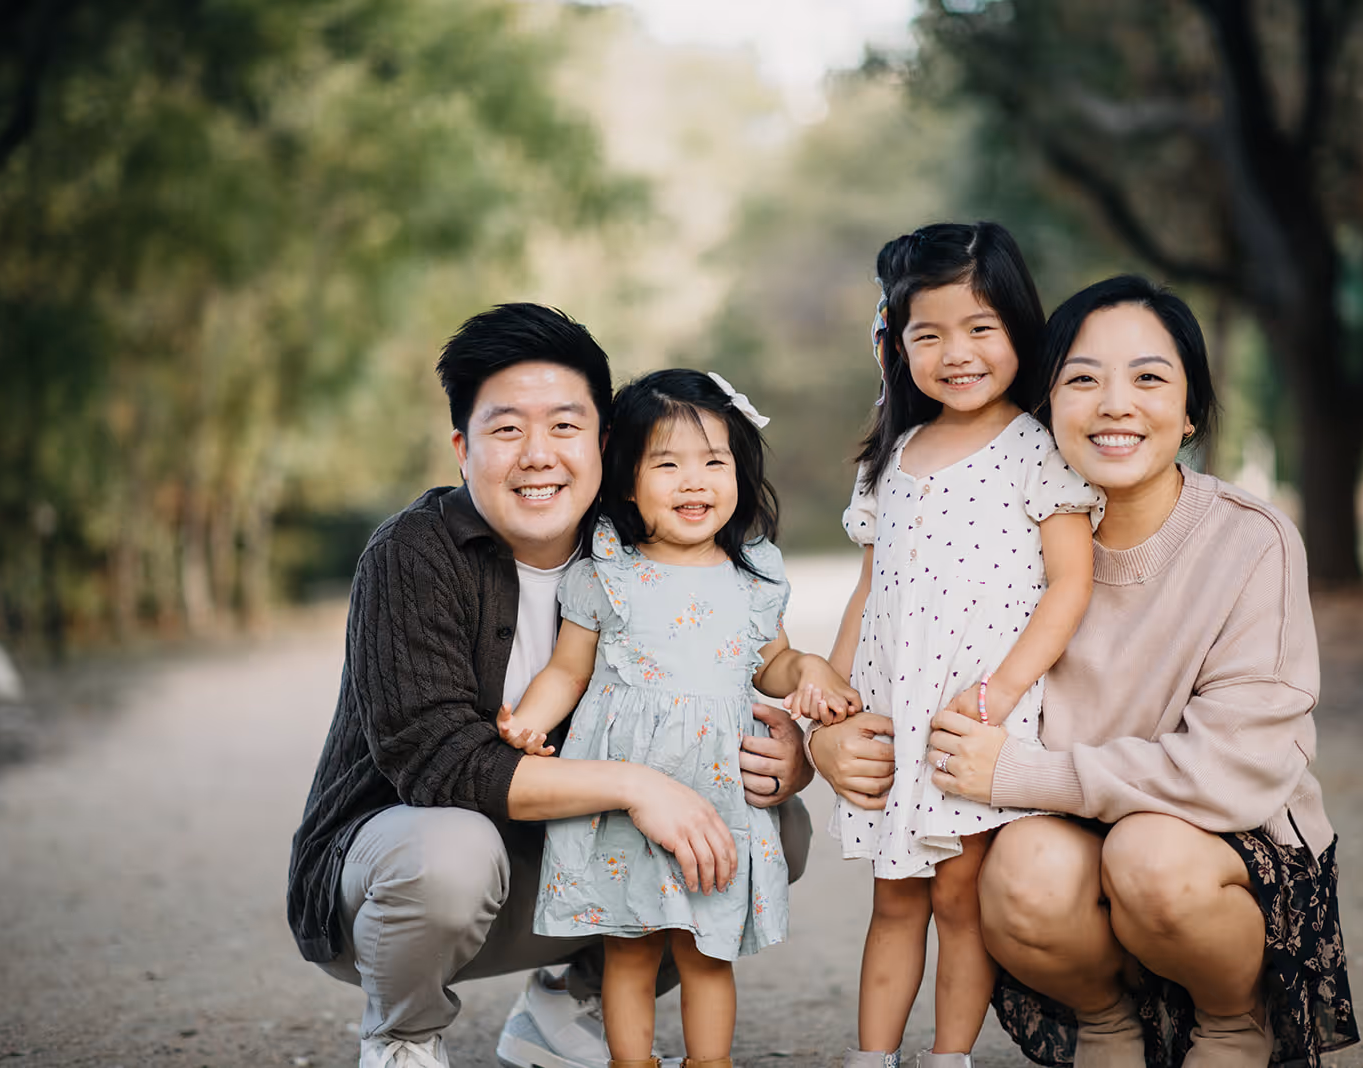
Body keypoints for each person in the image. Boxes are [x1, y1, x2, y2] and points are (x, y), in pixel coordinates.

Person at [847, 274, 1356, 1068]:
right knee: (1015, 874)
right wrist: (830, 741)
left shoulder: (1250, 541)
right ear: (1045, 405)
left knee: (1150, 858)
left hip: (1218, 846)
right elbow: (896, 651)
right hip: (1073, 839)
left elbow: (1240, 766)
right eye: (1082, 379)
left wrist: (1026, 776)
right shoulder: (1004, 536)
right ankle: (1107, 1020)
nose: (1115, 404)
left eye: (1149, 378)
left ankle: (1232, 1020)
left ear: (1190, 413)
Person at [285, 306, 815, 1068]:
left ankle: (572, 1002)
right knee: (450, 850)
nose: (538, 455)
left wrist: (785, 750)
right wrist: (638, 785)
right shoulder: (413, 555)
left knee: (757, 820)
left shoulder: (642, 545)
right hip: (395, 877)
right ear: (463, 448)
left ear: (605, 444)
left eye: (564, 426)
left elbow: (737, 665)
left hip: (566, 855)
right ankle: (402, 1036)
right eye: (506, 431)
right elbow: (441, 766)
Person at [496, 368, 858, 1068]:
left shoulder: (752, 571)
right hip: (622, 799)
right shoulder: (606, 568)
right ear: (627, 480)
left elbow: (771, 664)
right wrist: (530, 723)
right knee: (628, 950)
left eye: (714, 462)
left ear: (740, 473)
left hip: (717, 795)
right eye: (667, 464)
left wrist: (808, 671)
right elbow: (569, 670)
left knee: (706, 952)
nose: (695, 482)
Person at [824, 223, 1103, 1068]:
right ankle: (873, 1057)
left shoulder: (1039, 450)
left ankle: (950, 1058)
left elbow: (1071, 585)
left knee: (959, 901)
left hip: (973, 719)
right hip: (895, 717)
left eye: (980, 328)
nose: (957, 352)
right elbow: (869, 591)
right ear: (895, 344)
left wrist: (1002, 693)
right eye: (929, 334)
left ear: (1020, 327)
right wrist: (833, 697)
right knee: (895, 901)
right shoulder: (892, 457)